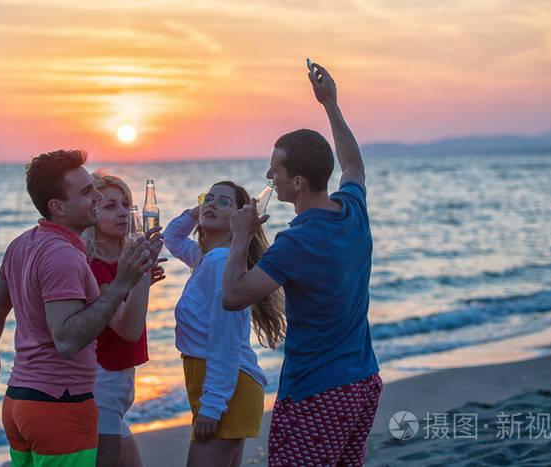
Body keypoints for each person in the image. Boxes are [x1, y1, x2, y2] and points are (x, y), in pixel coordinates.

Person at [222, 63, 381, 466]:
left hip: (316, 393)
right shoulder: (352, 210)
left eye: (275, 170)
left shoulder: (294, 243)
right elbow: (353, 166)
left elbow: (233, 297)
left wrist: (240, 237)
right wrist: (331, 105)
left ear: (297, 183)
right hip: (363, 383)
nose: (269, 177)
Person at [0, 150, 162, 466]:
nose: (97, 196)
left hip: (19, 401)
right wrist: (122, 283)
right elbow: (68, 339)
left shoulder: (22, 243)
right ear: (57, 207)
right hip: (59, 405)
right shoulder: (64, 255)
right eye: (87, 192)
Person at [163, 181, 285, 467]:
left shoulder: (219, 263)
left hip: (226, 389)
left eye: (224, 202)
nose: (212, 204)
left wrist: (214, 406)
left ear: (239, 219)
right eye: (208, 197)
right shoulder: (206, 259)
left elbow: (225, 342)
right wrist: (198, 210)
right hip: (218, 384)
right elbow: (172, 237)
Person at [81, 172, 166, 467]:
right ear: (92, 212)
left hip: (119, 385)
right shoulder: (96, 267)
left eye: (126, 204)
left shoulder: (119, 265)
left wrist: (137, 282)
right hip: (104, 383)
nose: (122, 213)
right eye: (110, 206)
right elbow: (127, 330)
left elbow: (120, 313)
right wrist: (141, 273)